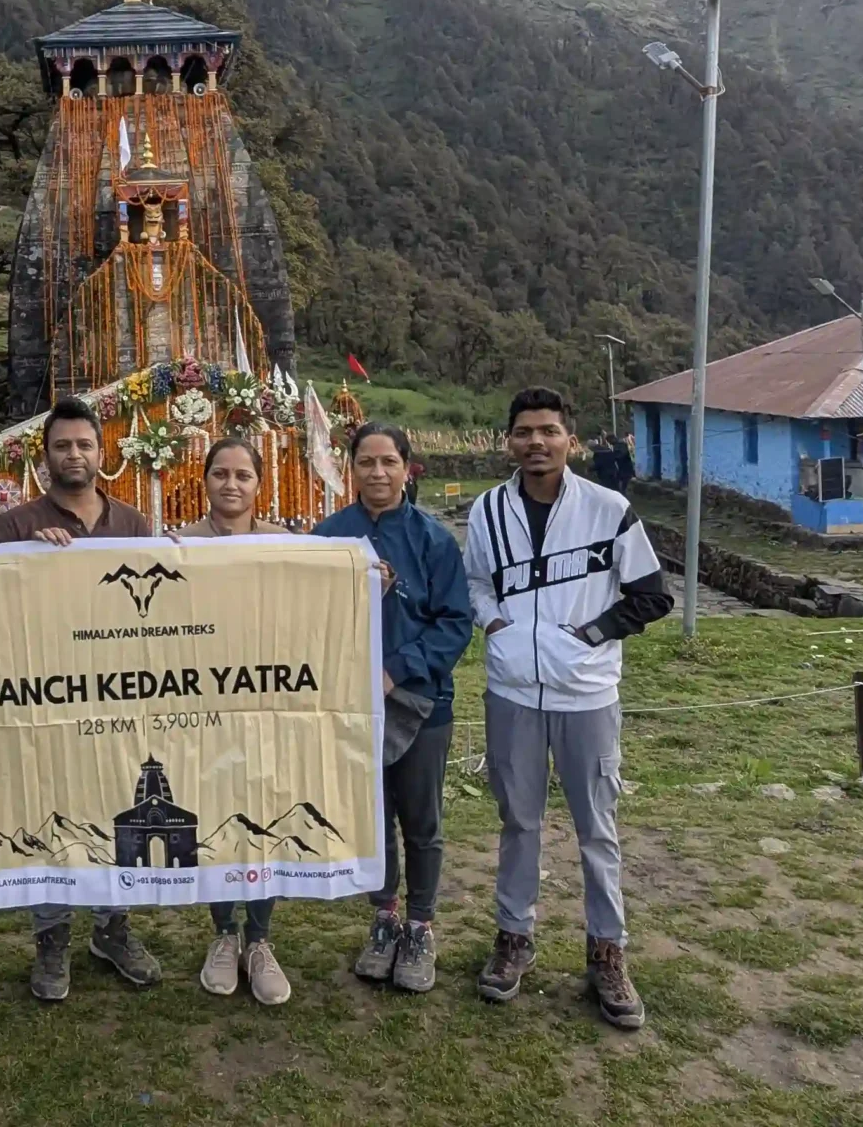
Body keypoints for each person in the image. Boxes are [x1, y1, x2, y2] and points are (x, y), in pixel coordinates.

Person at [463, 387, 673, 1028]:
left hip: (587, 694)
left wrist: (585, 638)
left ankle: (607, 951)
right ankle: (513, 938)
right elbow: (475, 579)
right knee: (518, 822)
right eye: (524, 431)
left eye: (548, 431)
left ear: (569, 440)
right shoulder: (487, 510)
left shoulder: (609, 509)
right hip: (513, 692)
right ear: (509, 441)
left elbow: (650, 595)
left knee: (596, 829)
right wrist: (494, 624)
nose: (536, 442)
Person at [0, 398, 165, 999]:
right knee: (54, 820)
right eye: (62, 446)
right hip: (49, 707)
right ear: (46, 457)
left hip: (120, 707)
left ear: (101, 452)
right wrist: (27, 560)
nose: (75, 455)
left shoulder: (135, 525)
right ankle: (52, 938)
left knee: (119, 814)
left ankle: (113, 928)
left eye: (85, 444)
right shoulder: (16, 527)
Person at [314, 423, 474, 994]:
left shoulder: (433, 541)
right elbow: (309, 619)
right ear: (349, 469)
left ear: (408, 468)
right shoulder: (329, 538)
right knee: (372, 817)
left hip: (422, 702)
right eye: (365, 462)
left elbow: (456, 623)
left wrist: (396, 669)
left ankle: (421, 925)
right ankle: (384, 918)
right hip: (351, 706)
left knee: (421, 820)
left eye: (388, 462)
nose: (377, 473)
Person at [174, 436, 295, 1006]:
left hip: (266, 706)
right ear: (205, 481)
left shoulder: (288, 546)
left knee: (263, 815)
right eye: (220, 473)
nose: (231, 484)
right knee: (216, 819)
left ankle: (261, 939)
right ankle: (224, 934)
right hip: (201, 710)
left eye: (243, 475)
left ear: (258, 482)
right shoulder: (177, 546)